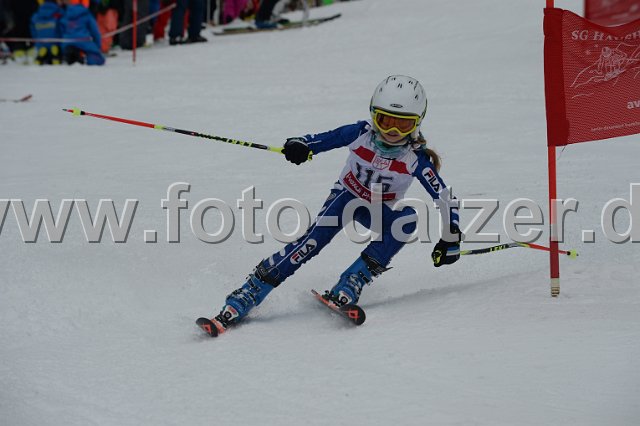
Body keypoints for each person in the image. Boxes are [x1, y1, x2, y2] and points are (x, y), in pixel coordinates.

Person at [205, 75, 462, 334]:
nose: (392, 132)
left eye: (403, 125)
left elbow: (444, 196)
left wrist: (451, 234)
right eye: (385, 121)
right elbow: (323, 139)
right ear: (373, 115)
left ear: (417, 123)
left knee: (406, 221)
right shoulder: (360, 134)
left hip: (376, 209)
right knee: (311, 243)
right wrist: (301, 146)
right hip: (346, 197)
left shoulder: (415, 159)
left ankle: (354, 279)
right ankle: (250, 291)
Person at [60, 0, 104, 65]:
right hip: (83, 41)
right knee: (99, 59)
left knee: (71, 51)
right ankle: (82, 55)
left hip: (67, 42)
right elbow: (95, 32)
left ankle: (71, 54)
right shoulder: (86, 14)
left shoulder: (66, 13)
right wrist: (97, 47)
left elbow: (61, 29)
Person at [30, 0, 63, 65]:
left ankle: (41, 56)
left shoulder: (37, 14)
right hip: (55, 40)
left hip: (40, 41)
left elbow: (32, 29)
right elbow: (63, 26)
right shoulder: (59, 12)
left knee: (44, 54)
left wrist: (35, 39)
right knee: (56, 48)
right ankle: (55, 54)